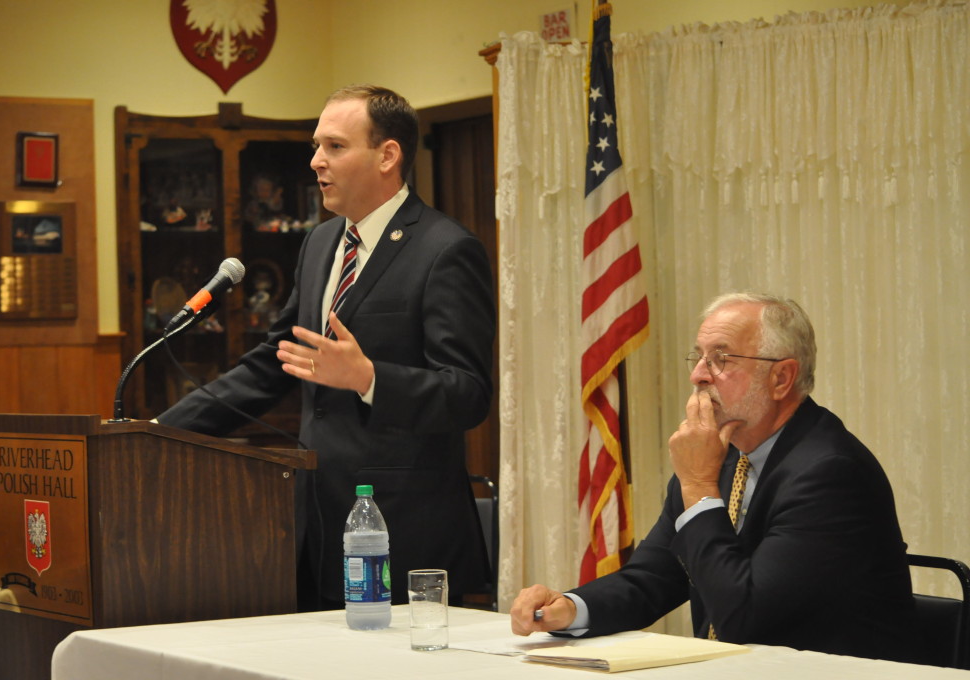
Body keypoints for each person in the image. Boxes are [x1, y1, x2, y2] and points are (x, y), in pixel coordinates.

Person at [158, 85, 494, 610]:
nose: (316, 162)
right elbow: (276, 363)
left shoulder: (446, 250)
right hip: (318, 525)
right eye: (317, 146)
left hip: (405, 532)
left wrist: (369, 378)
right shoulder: (321, 243)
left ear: (388, 155)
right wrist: (160, 432)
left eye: (335, 147)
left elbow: (468, 393)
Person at [511, 293, 915, 662]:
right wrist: (570, 608)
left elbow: (746, 620)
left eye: (721, 358)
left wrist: (700, 487)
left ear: (781, 378)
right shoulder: (718, 456)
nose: (699, 375)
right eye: (700, 357)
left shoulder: (829, 472)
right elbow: (654, 577)